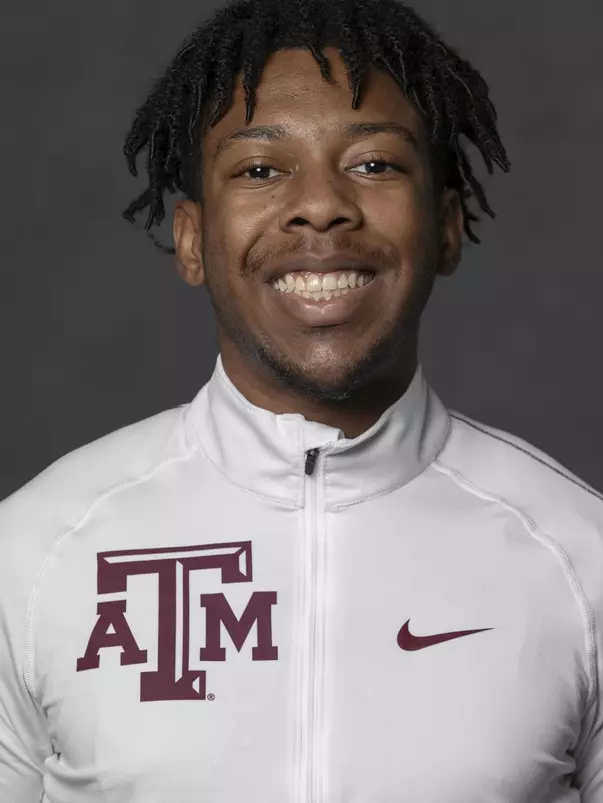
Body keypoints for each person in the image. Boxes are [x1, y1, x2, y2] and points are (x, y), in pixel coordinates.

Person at [1, 0, 601, 799]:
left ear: (447, 227)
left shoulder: (579, 558)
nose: (320, 204)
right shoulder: (35, 556)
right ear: (191, 239)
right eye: (259, 169)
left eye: (374, 164)